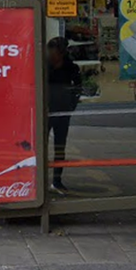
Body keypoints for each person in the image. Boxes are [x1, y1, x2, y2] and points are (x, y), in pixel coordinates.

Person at [47, 37, 82, 193]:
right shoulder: (44, 66)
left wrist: (71, 104)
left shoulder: (70, 67)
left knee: (60, 147)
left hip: (62, 112)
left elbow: (78, 86)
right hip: (46, 111)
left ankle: (57, 180)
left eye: (53, 52)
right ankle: (37, 179)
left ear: (61, 52)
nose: (51, 55)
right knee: (40, 147)